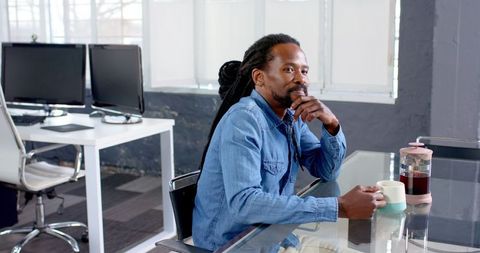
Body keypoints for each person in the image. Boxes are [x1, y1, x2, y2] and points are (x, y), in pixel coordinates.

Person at [192, 33, 386, 251]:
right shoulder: (244, 119)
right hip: (236, 246)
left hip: (274, 239)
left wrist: (331, 124)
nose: (301, 79)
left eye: (304, 71)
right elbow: (245, 204)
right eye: (289, 69)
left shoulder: (290, 118)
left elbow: (327, 171)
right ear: (259, 78)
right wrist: (339, 207)